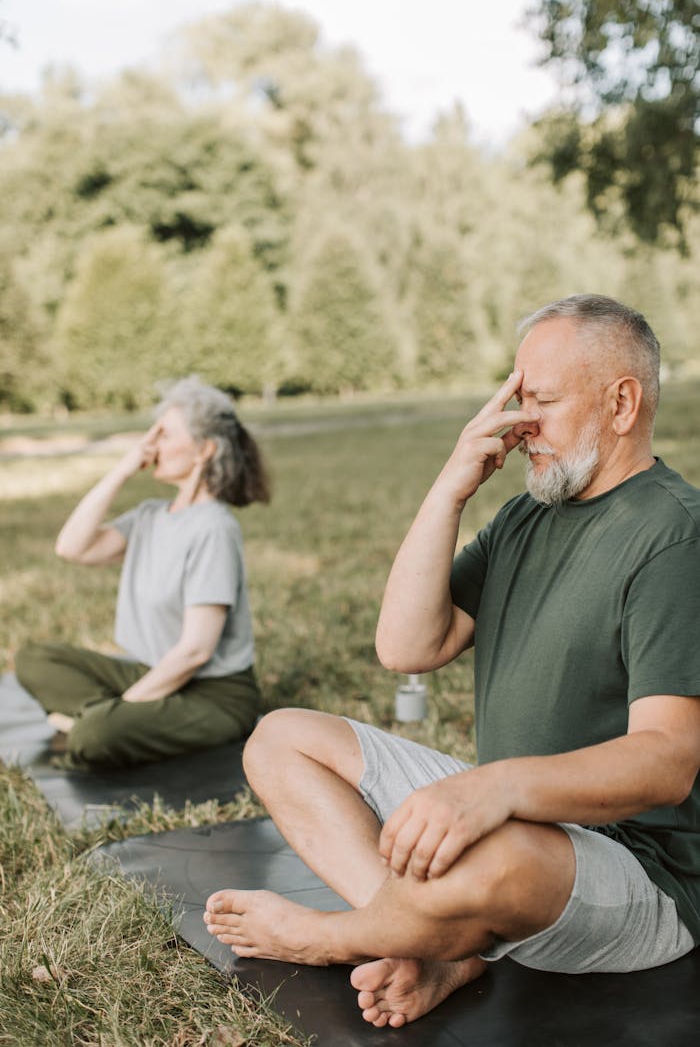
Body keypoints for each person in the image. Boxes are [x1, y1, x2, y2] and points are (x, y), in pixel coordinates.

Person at [202, 294, 700, 1028]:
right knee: (282, 740)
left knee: (498, 857)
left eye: (542, 401)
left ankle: (338, 937)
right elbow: (407, 646)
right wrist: (452, 484)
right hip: (510, 821)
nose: (519, 423)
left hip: (640, 875)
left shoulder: (674, 534)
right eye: (514, 398)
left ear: (622, 403)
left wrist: (494, 790)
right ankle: (434, 946)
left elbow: (667, 761)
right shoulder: (530, 514)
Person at [15, 376, 270, 769]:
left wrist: (121, 709)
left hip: (213, 695)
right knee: (35, 658)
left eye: (165, 435)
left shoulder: (214, 529)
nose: (151, 445)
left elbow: (195, 651)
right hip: (148, 670)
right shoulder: (151, 515)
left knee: (93, 735)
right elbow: (72, 547)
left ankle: (100, 720)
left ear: (204, 450)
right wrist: (122, 468)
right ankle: (116, 717)